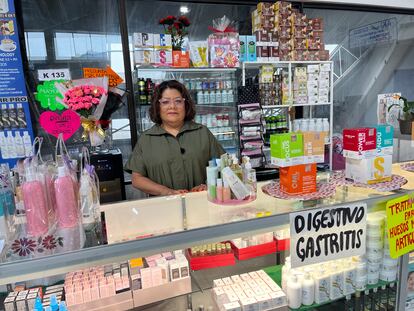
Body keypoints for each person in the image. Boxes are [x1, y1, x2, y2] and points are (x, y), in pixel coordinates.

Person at [125, 80, 225, 196]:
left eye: (178, 101)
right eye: (165, 102)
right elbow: (137, 179)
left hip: (201, 202)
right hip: (163, 207)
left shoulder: (202, 132)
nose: (172, 106)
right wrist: (166, 191)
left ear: (185, 105)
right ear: (157, 106)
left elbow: (223, 166)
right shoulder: (146, 139)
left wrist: (209, 185)